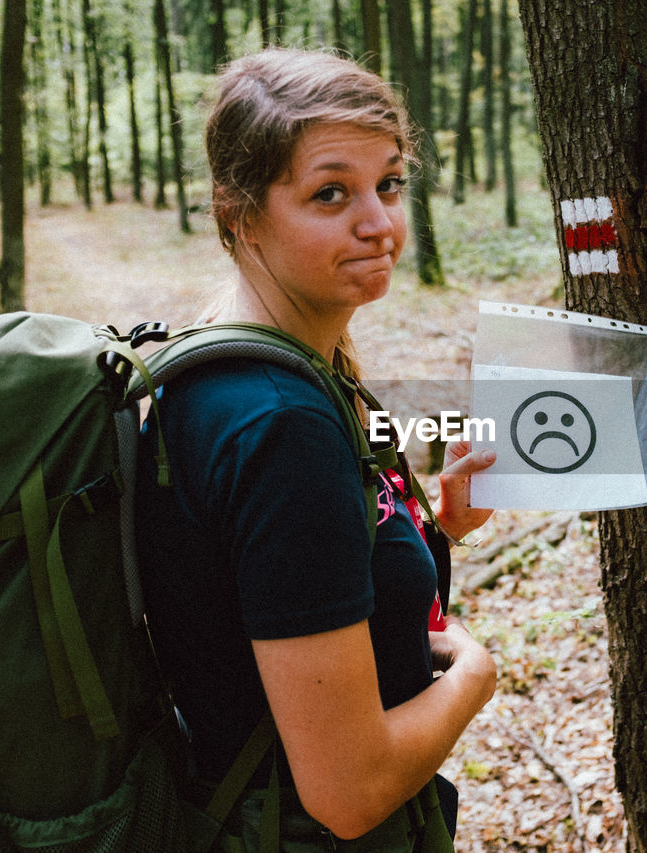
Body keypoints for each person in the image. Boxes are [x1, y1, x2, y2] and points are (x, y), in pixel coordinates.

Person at [135, 47, 498, 850]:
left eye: (389, 183)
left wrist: (434, 535)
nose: (378, 222)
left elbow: (284, 594)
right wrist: (476, 676)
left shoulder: (237, 362)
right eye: (330, 193)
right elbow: (349, 789)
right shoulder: (278, 423)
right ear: (239, 215)